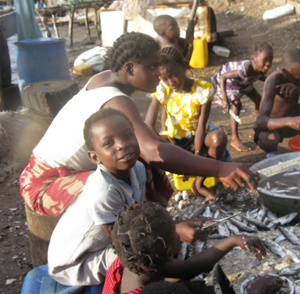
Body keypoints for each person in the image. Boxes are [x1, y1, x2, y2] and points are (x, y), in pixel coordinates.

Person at [19, 32, 257, 238]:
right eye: (152, 67)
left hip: (60, 168)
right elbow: (154, 152)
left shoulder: (103, 78)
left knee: (136, 158)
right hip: (46, 183)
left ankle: (160, 221)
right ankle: (151, 237)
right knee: (115, 186)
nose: (159, 73)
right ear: (130, 68)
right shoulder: (115, 99)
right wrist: (219, 168)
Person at [47, 108, 146, 286]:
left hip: (108, 243)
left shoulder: (138, 168)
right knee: (143, 257)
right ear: (94, 157)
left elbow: (141, 213)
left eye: (128, 135)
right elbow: (124, 243)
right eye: (109, 143)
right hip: (76, 264)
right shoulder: (103, 190)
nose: (122, 144)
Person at [102, 200, 267, 294]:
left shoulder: (135, 260)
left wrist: (233, 240)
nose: (178, 230)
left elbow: (188, 267)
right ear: (168, 253)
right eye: (174, 230)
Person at [145, 46, 229, 199]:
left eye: (174, 75)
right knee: (147, 146)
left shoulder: (202, 90)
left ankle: (199, 183)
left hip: (197, 137)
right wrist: (166, 146)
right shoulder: (163, 89)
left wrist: (194, 163)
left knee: (219, 138)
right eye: (164, 78)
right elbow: (148, 124)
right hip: (174, 141)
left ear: (183, 66)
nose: (171, 82)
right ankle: (160, 190)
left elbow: (201, 128)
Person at [254, 48, 300, 157]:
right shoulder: (274, 81)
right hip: (273, 126)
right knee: (269, 140)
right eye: (299, 78)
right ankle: (273, 155)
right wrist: (289, 121)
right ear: (285, 72)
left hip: (293, 121)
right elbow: (260, 121)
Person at [212, 42, 274, 152]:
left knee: (259, 100)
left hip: (243, 83)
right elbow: (223, 77)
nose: (268, 63)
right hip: (228, 83)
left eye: (270, 60)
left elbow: (266, 79)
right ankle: (235, 139)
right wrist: (225, 99)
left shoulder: (260, 69)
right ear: (253, 58)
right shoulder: (246, 69)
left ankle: (258, 127)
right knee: (237, 104)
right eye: (265, 60)